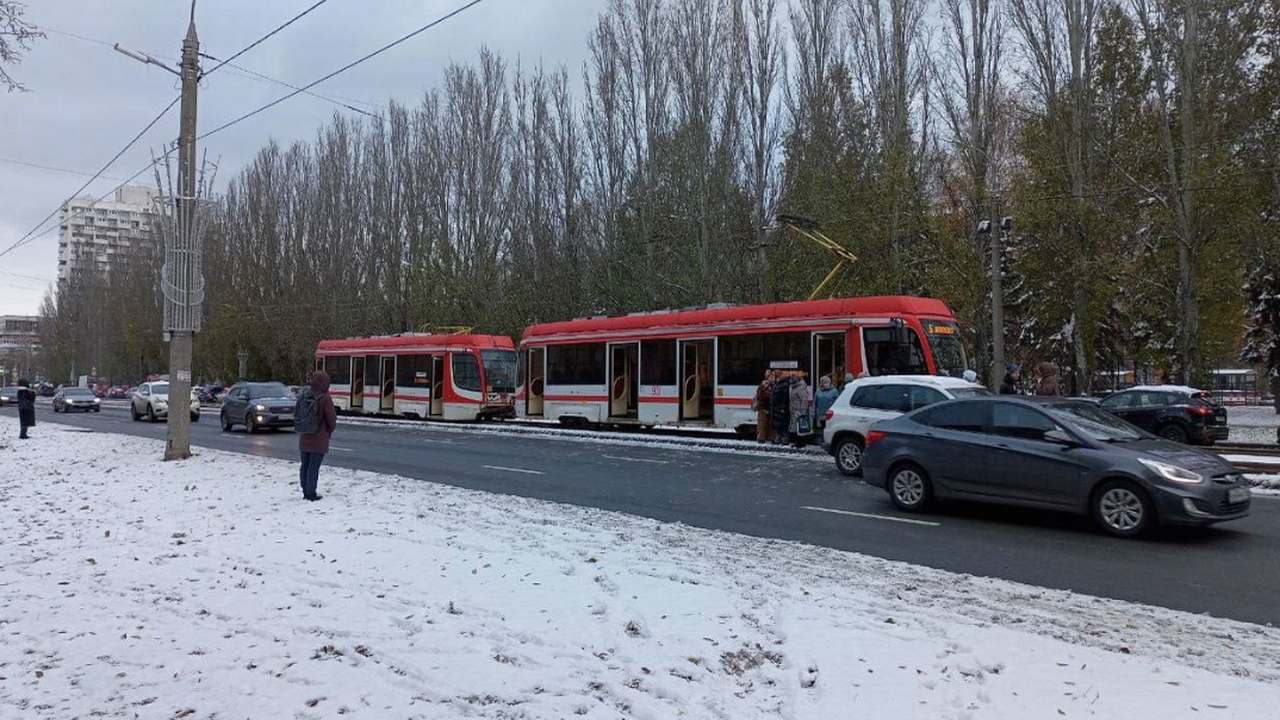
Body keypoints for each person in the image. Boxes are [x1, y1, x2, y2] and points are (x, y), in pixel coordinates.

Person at [295, 370, 337, 502]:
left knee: (305, 465)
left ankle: (305, 490)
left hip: (304, 436)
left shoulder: (303, 395)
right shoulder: (325, 398)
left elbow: (296, 414)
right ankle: (311, 493)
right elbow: (331, 419)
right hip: (319, 438)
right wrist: (329, 431)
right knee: (314, 468)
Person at [789, 372, 811, 446]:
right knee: (795, 427)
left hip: (798, 411)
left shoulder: (800, 388)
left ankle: (800, 443)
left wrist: (803, 412)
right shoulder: (794, 387)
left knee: (799, 427)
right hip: (794, 410)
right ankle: (797, 442)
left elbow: (804, 400)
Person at [770, 372, 793, 445]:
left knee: (782, 424)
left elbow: (785, 398)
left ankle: (784, 439)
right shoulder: (779, 384)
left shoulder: (784, 385)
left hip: (780, 408)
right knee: (778, 424)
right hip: (776, 407)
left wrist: (783, 408)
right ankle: (779, 438)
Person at [754, 371, 775, 443]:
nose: (773, 378)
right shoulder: (765, 385)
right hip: (763, 407)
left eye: (773, 377)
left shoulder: (772, 385)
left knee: (769, 423)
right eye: (771, 377)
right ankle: (761, 438)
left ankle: (769, 437)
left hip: (768, 407)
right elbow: (761, 396)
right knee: (762, 423)